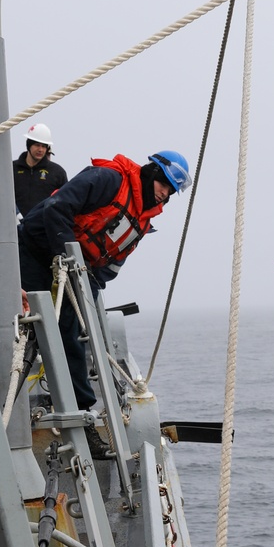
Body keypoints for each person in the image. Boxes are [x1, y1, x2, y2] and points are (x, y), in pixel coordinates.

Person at [18, 150, 190, 412]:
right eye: (163, 184)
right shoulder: (108, 180)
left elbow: (112, 265)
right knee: (27, 325)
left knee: (74, 330)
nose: (165, 193)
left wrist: (90, 285)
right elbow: (57, 207)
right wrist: (68, 259)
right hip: (33, 252)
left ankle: (80, 407)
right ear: (150, 173)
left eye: (170, 190)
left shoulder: (141, 223)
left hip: (74, 270)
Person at [12, 122, 68, 218]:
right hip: (14, 227)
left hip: (44, 229)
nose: (40, 150)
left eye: (44, 146)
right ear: (29, 145)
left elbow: (65, 202)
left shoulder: (57, 172)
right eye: (37, 145)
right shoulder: (11, 169)